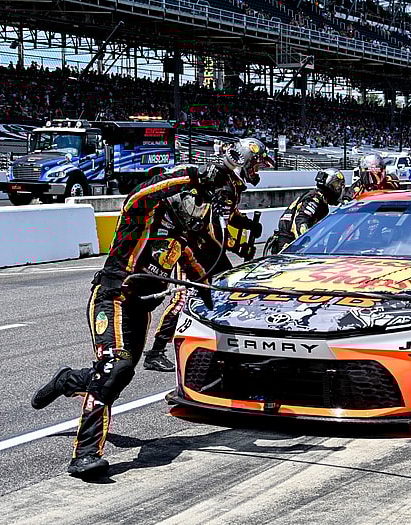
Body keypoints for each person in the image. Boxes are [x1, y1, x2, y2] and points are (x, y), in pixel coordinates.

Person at [30, 143, 270, 479]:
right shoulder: (143, 213)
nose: (202, 211)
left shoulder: (184, 242)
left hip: (140, 310)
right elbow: (140, 192)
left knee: (120, 373)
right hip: (113, 296)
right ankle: (84, 455)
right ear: (183, 196)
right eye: (200, 202)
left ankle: (68, 379)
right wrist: (194, 176)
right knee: (114, 369)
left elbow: (212, 279)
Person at [143, 138, 271, 371]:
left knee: (220, 291)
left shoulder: (228, 181)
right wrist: (237, 247)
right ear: (244, 161)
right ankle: (156, 351)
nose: (256, 171)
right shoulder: (222, 182)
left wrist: (246, 224)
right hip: (188, 242)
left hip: (195, 241)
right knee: (186, 295)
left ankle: (217, 342)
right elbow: (213, 226)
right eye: (256, 165)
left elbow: (226, 214)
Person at [265, 168, 345, 255]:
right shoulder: (315, 199)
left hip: (288, 242)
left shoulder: (317, 197)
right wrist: (307, 246)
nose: (339, 188)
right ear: (329, 184)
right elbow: (301, 221)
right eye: (337, 184)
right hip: (290, 245)